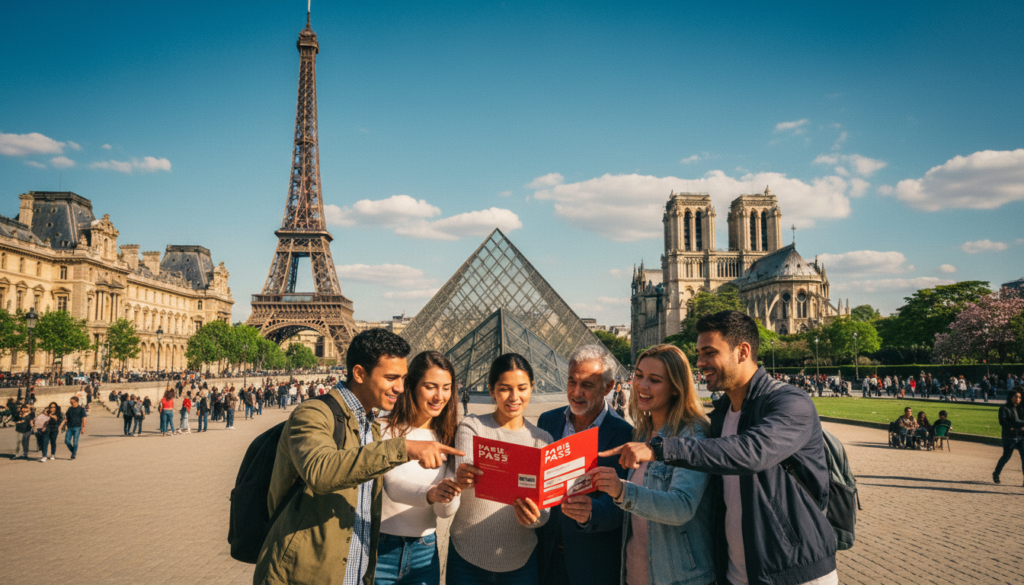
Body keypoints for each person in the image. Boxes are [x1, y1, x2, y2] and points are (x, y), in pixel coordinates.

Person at [600, 310, 837, 585]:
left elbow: (751, 452)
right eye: (699, 353)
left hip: (793, 571)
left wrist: (660, 449)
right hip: (737, 572)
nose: (700, 362)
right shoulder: (721, 414)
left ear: (742, 351)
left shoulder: (790, 403)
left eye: (709, 352)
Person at [254, 329, 462, 585]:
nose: (400, 387)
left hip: (355, 569)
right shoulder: (312, 413)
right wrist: (404, 448)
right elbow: (321, 472)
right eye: (391, 377)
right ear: (360, 373)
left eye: (403, 378)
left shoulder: (370, 425)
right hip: (304, 572)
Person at [588, 344, 714, 585]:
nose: (642, 385)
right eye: (639, 375)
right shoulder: (641, 433)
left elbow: (682, 507)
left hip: (678, 578)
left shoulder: (692, 435)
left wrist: (621, 490)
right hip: (636, 573)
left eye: (654, 380)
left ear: (676, 388)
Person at [449, 353, 553, 584]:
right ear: (491, 389)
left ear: (532, 387)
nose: (514, 397)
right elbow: (463, 471)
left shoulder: (544, 440)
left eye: (522, 388)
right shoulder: (472, 426)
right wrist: (462, 478)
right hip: (467, 556)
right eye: (505, 388)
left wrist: (534, 518)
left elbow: (545, 511)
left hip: (521, 562)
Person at [535, 345, 633, 585]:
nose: (576, 392)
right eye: (571, 382)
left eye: (587, 385)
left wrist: (591, 514)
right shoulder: (547, 421)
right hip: (545, 559)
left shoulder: (626, 435)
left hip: (591, 565)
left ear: (608, 387)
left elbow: (628, 503)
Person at [375, 351, 463, 585]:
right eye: (430, 386)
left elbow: (444, 513)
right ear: (412, 385)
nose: (439, 396)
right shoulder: (381, 429)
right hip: (378, 550)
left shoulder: (451, 437)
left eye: (446, 387)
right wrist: (431, 493)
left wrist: (451, 492)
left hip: (425, 552)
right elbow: (390, 485)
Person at [993, 391, 1024, 485]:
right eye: (1016, 397)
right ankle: (996, 473)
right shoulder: (1004, 408)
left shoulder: (1021, 408)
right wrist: (1016, 426)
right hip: (1009, 437)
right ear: (1011, 397)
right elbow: (1003, 422)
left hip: (1021, 436)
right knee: (1006, 456)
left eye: (1019, 397)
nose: (1018, 399)